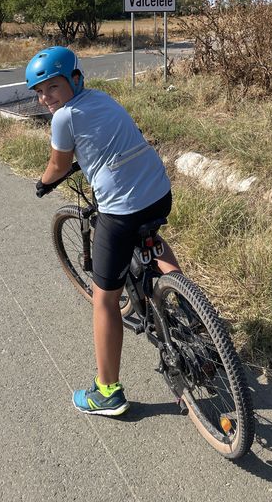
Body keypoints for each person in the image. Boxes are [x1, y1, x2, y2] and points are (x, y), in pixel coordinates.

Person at [26, 46, 180, 416]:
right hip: (158, 192)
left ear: (75, 79)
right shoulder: (102, 98)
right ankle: (188, 307)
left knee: (104, 299)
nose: (47, 97)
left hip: (121, 210)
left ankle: (107, 391)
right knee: (152, 239)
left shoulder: (64, 117)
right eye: (40, 91)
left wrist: (43, 184)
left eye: (53, 87)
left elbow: (58, 164)